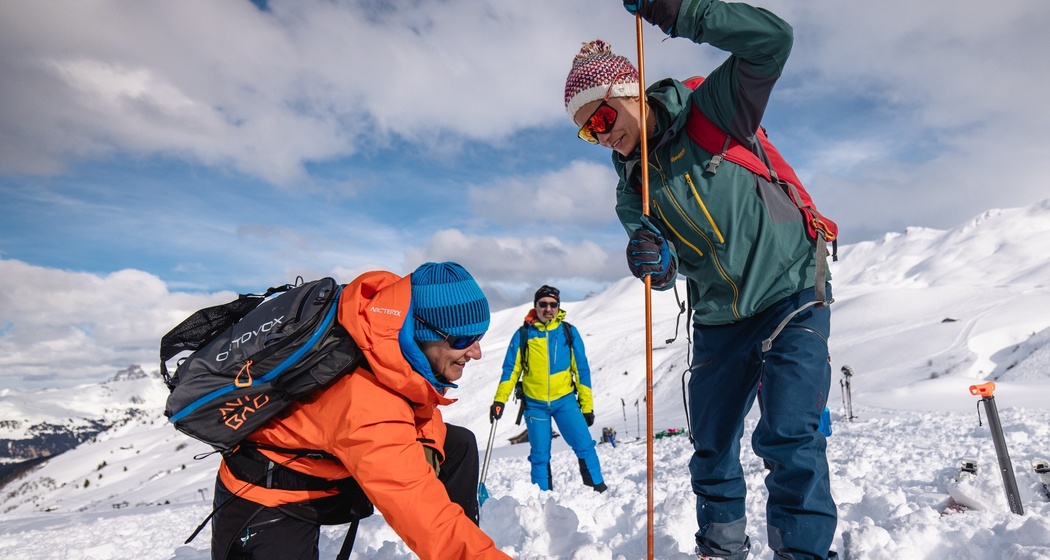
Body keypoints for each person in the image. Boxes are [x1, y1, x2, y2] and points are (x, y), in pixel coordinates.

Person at [564, 2, 838, 559]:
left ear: (629, 92)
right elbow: (665, 275)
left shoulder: (710, 110)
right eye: (587, 135)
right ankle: (721, 548)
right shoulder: (632, 190)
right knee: (711, 445)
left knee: (787, 434)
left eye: (601, 119)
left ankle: (804, 553)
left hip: (788, 286)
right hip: (718, 316)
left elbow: (772, 41)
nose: (602, 138)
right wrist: (654, 263)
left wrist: (681, 12)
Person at [209, 262, 511, 560]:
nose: (476, 352)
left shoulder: (389, 334)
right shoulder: (367, 402)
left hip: (332, 463)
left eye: (479, 337)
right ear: (420, 331)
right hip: (270, 495)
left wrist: (428, 447)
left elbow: (419, 400)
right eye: (461, 340)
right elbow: (425, 518)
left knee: (457, 445)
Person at [488, 285, 607, 493]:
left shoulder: (568, 332)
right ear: (536, 306)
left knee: (585, 445)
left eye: (553, 304)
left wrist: (587, 406)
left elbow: (581, 371)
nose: (548, 308)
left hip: (565, 402)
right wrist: (499, 400)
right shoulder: (523, 334)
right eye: (543, 304)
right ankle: (543, 500)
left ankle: (597, 489)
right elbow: (510, 371)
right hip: (535, 406)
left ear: (558, 307)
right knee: (540, 456)